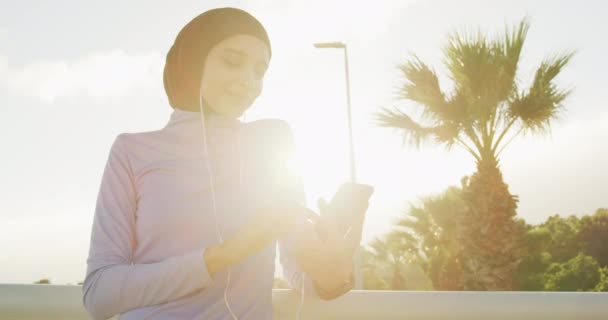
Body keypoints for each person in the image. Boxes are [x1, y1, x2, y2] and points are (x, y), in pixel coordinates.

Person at [82, 7, 367, 320]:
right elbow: (99, 295)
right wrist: (224, 254)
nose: (249, 81)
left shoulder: (271, 141)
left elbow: (298, 274)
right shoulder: (132, 151)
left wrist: (330, 274)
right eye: (232, 61)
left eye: (260, 71)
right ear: (192, 61)